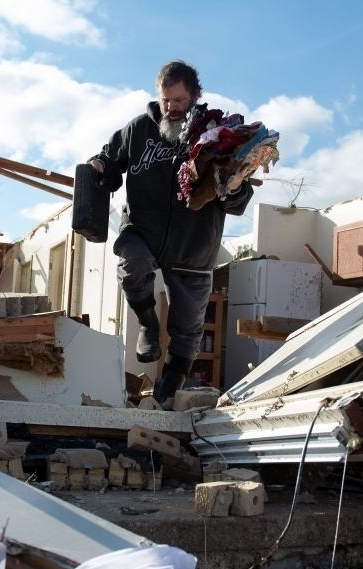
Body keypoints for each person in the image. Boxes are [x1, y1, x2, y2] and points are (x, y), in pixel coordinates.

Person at [89, 60, 253, 405]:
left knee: (188, 331)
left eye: (178, 101)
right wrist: (100, 166)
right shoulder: (137, 130)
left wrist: (235, 185)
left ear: (194, 96)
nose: (171, 107)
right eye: (165, 100)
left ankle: (167, 391)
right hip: (143, 232)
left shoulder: (217, 137)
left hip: (194, 245)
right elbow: (110, 159)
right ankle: (148, 324)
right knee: (131, 264)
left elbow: (237, 201)